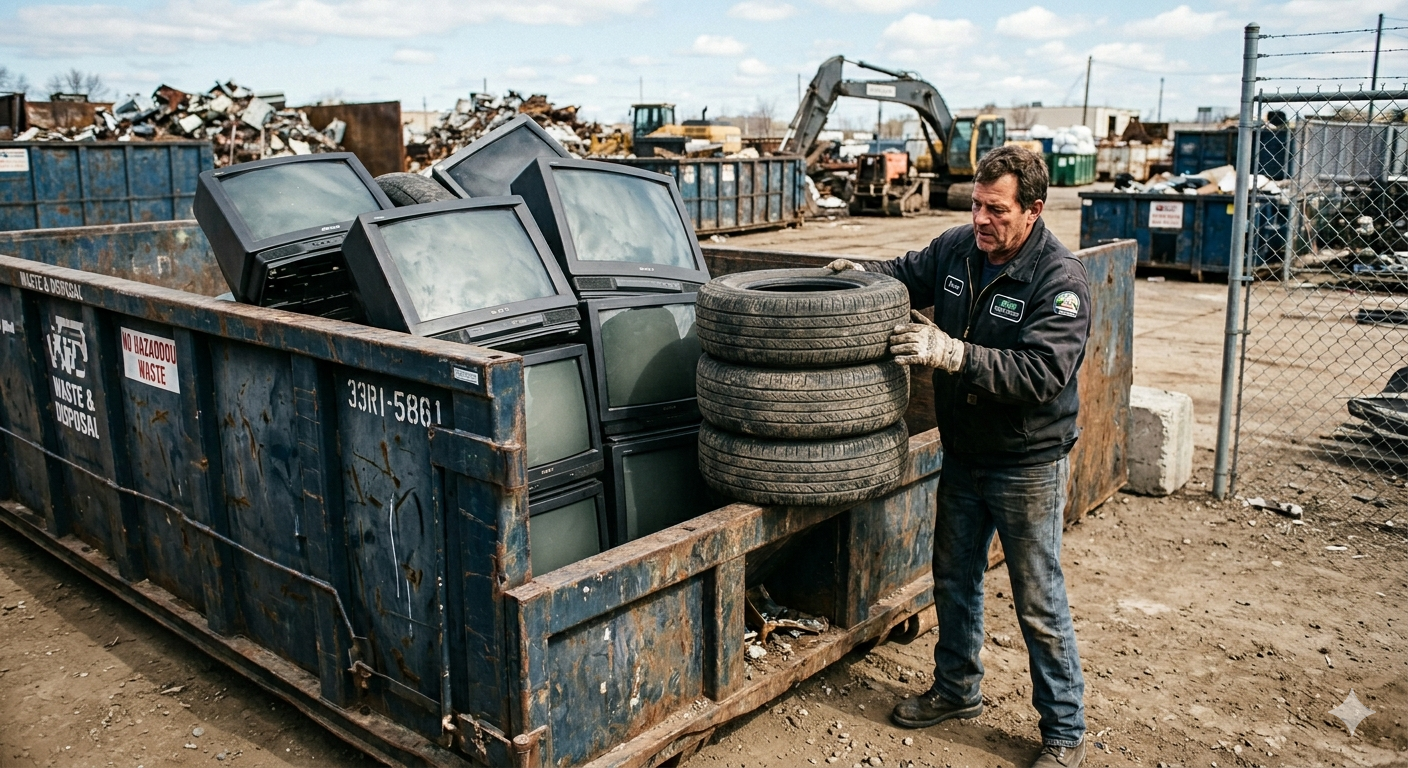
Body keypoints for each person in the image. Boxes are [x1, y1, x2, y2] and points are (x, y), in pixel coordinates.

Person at [827, 145, 1091, 768]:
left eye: (996, 209)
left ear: (1033, 209)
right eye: (975, 205)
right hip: (965, 454)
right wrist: (859, 274)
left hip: (1027, 462)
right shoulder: (956, 250)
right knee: (954, 580)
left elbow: (1042, 373)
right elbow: (903, 271)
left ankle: (1063, 730)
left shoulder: (1059, 280)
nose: (981, 219)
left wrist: (954, 354)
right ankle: (956, 690)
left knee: (1037, 597)